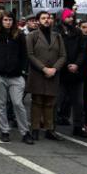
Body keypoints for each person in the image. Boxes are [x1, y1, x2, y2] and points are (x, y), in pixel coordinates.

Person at [0, 11, 34, 144]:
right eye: (5, 20)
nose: (8, 22)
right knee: (0, 104)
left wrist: (23, 71)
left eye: (10, 20)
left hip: (16, 76)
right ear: (1, 21)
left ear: (14, 21)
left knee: (18, 103)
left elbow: (25, 55)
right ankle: (5, 130)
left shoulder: (19, 35)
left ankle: (25, 132)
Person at [26, 11, 67, 141]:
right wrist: (43, 68)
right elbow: (30, 54)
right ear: (38, 20)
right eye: (43, 18)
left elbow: (63, 55)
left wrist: (54, 68)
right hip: (38, 72)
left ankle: (50, 129)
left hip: (53, 73)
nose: (46, 20)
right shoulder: (32, 35)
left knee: (50, 102)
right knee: (37, 101)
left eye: (48, 18)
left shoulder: (57, 36)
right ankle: (35, 128)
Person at [57, 8, 87, 137]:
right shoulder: (56, 32)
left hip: (76, 73)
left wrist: (76, 64)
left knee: (78, 103)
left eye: (72, 17)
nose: (70, 19)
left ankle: (78, 127)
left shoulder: (78, 33)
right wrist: (63, 65)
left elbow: (82, 50)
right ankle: (51, 126)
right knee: (58, 100)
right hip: (61, 72)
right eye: (68, 17)